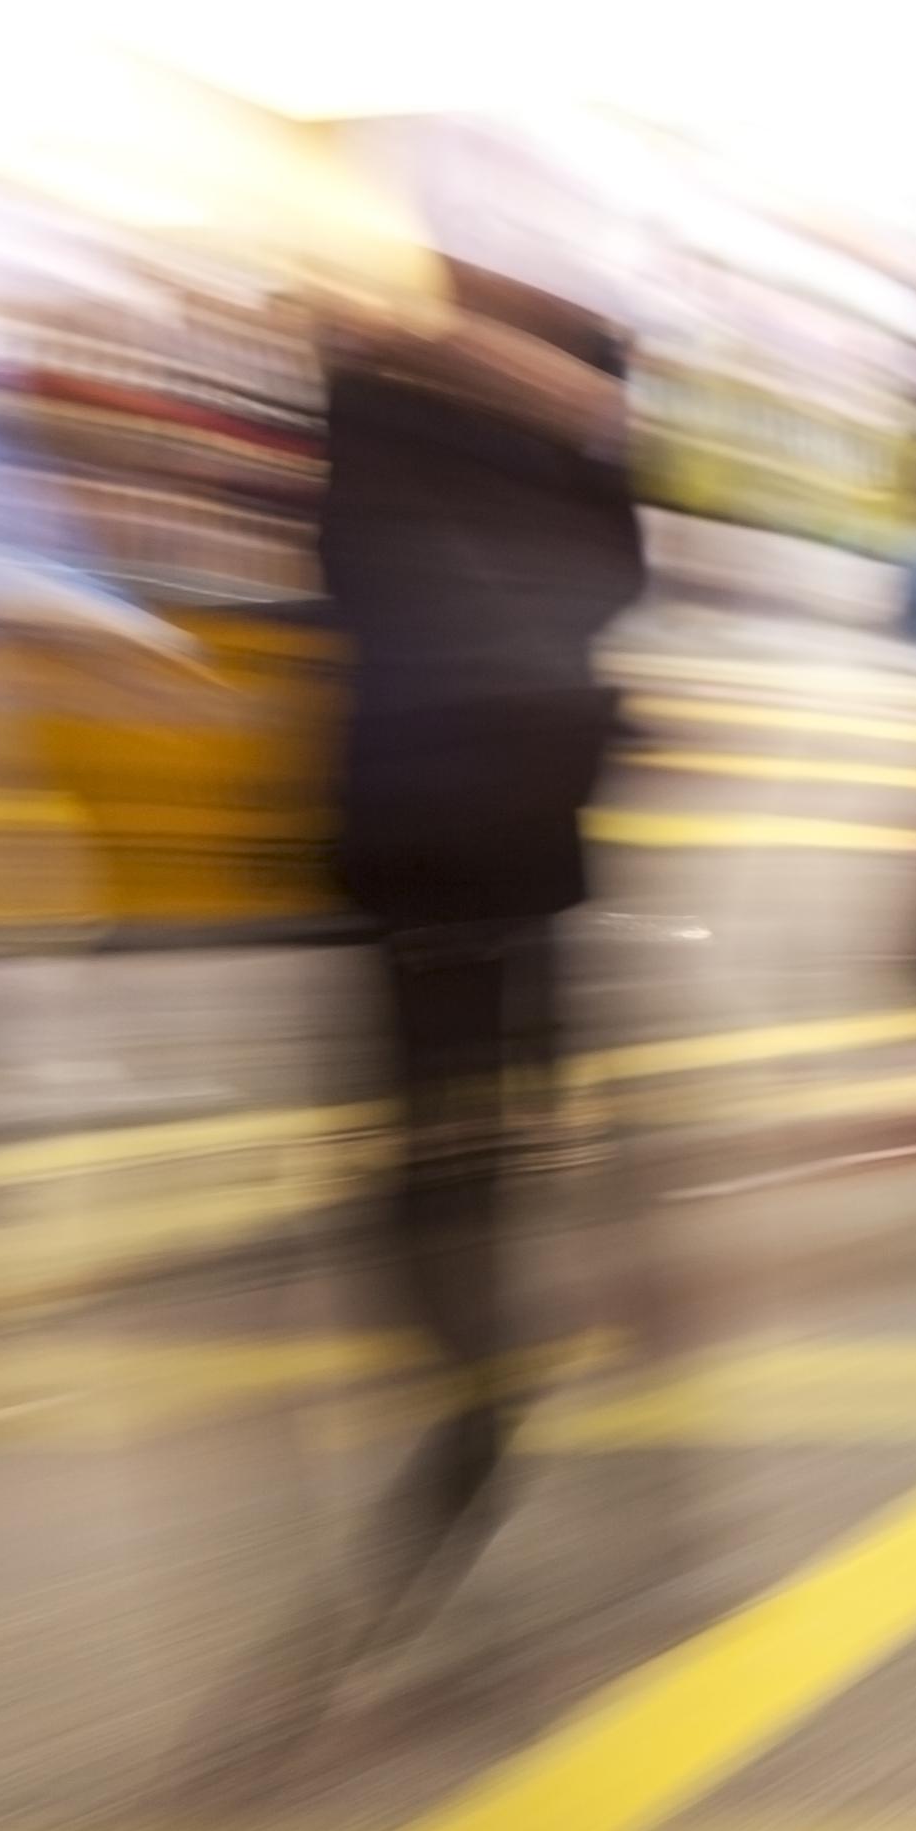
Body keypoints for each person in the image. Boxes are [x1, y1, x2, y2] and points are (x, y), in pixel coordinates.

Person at [314, 264, 645, 1606]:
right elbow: (614, 586)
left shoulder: (374, 412)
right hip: (525, 821)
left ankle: (472, 1381)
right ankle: (484, 1369)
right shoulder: (571, 430)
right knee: (493, 1122)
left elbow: (344, 573)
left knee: (428, 1146)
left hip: (413, 828)